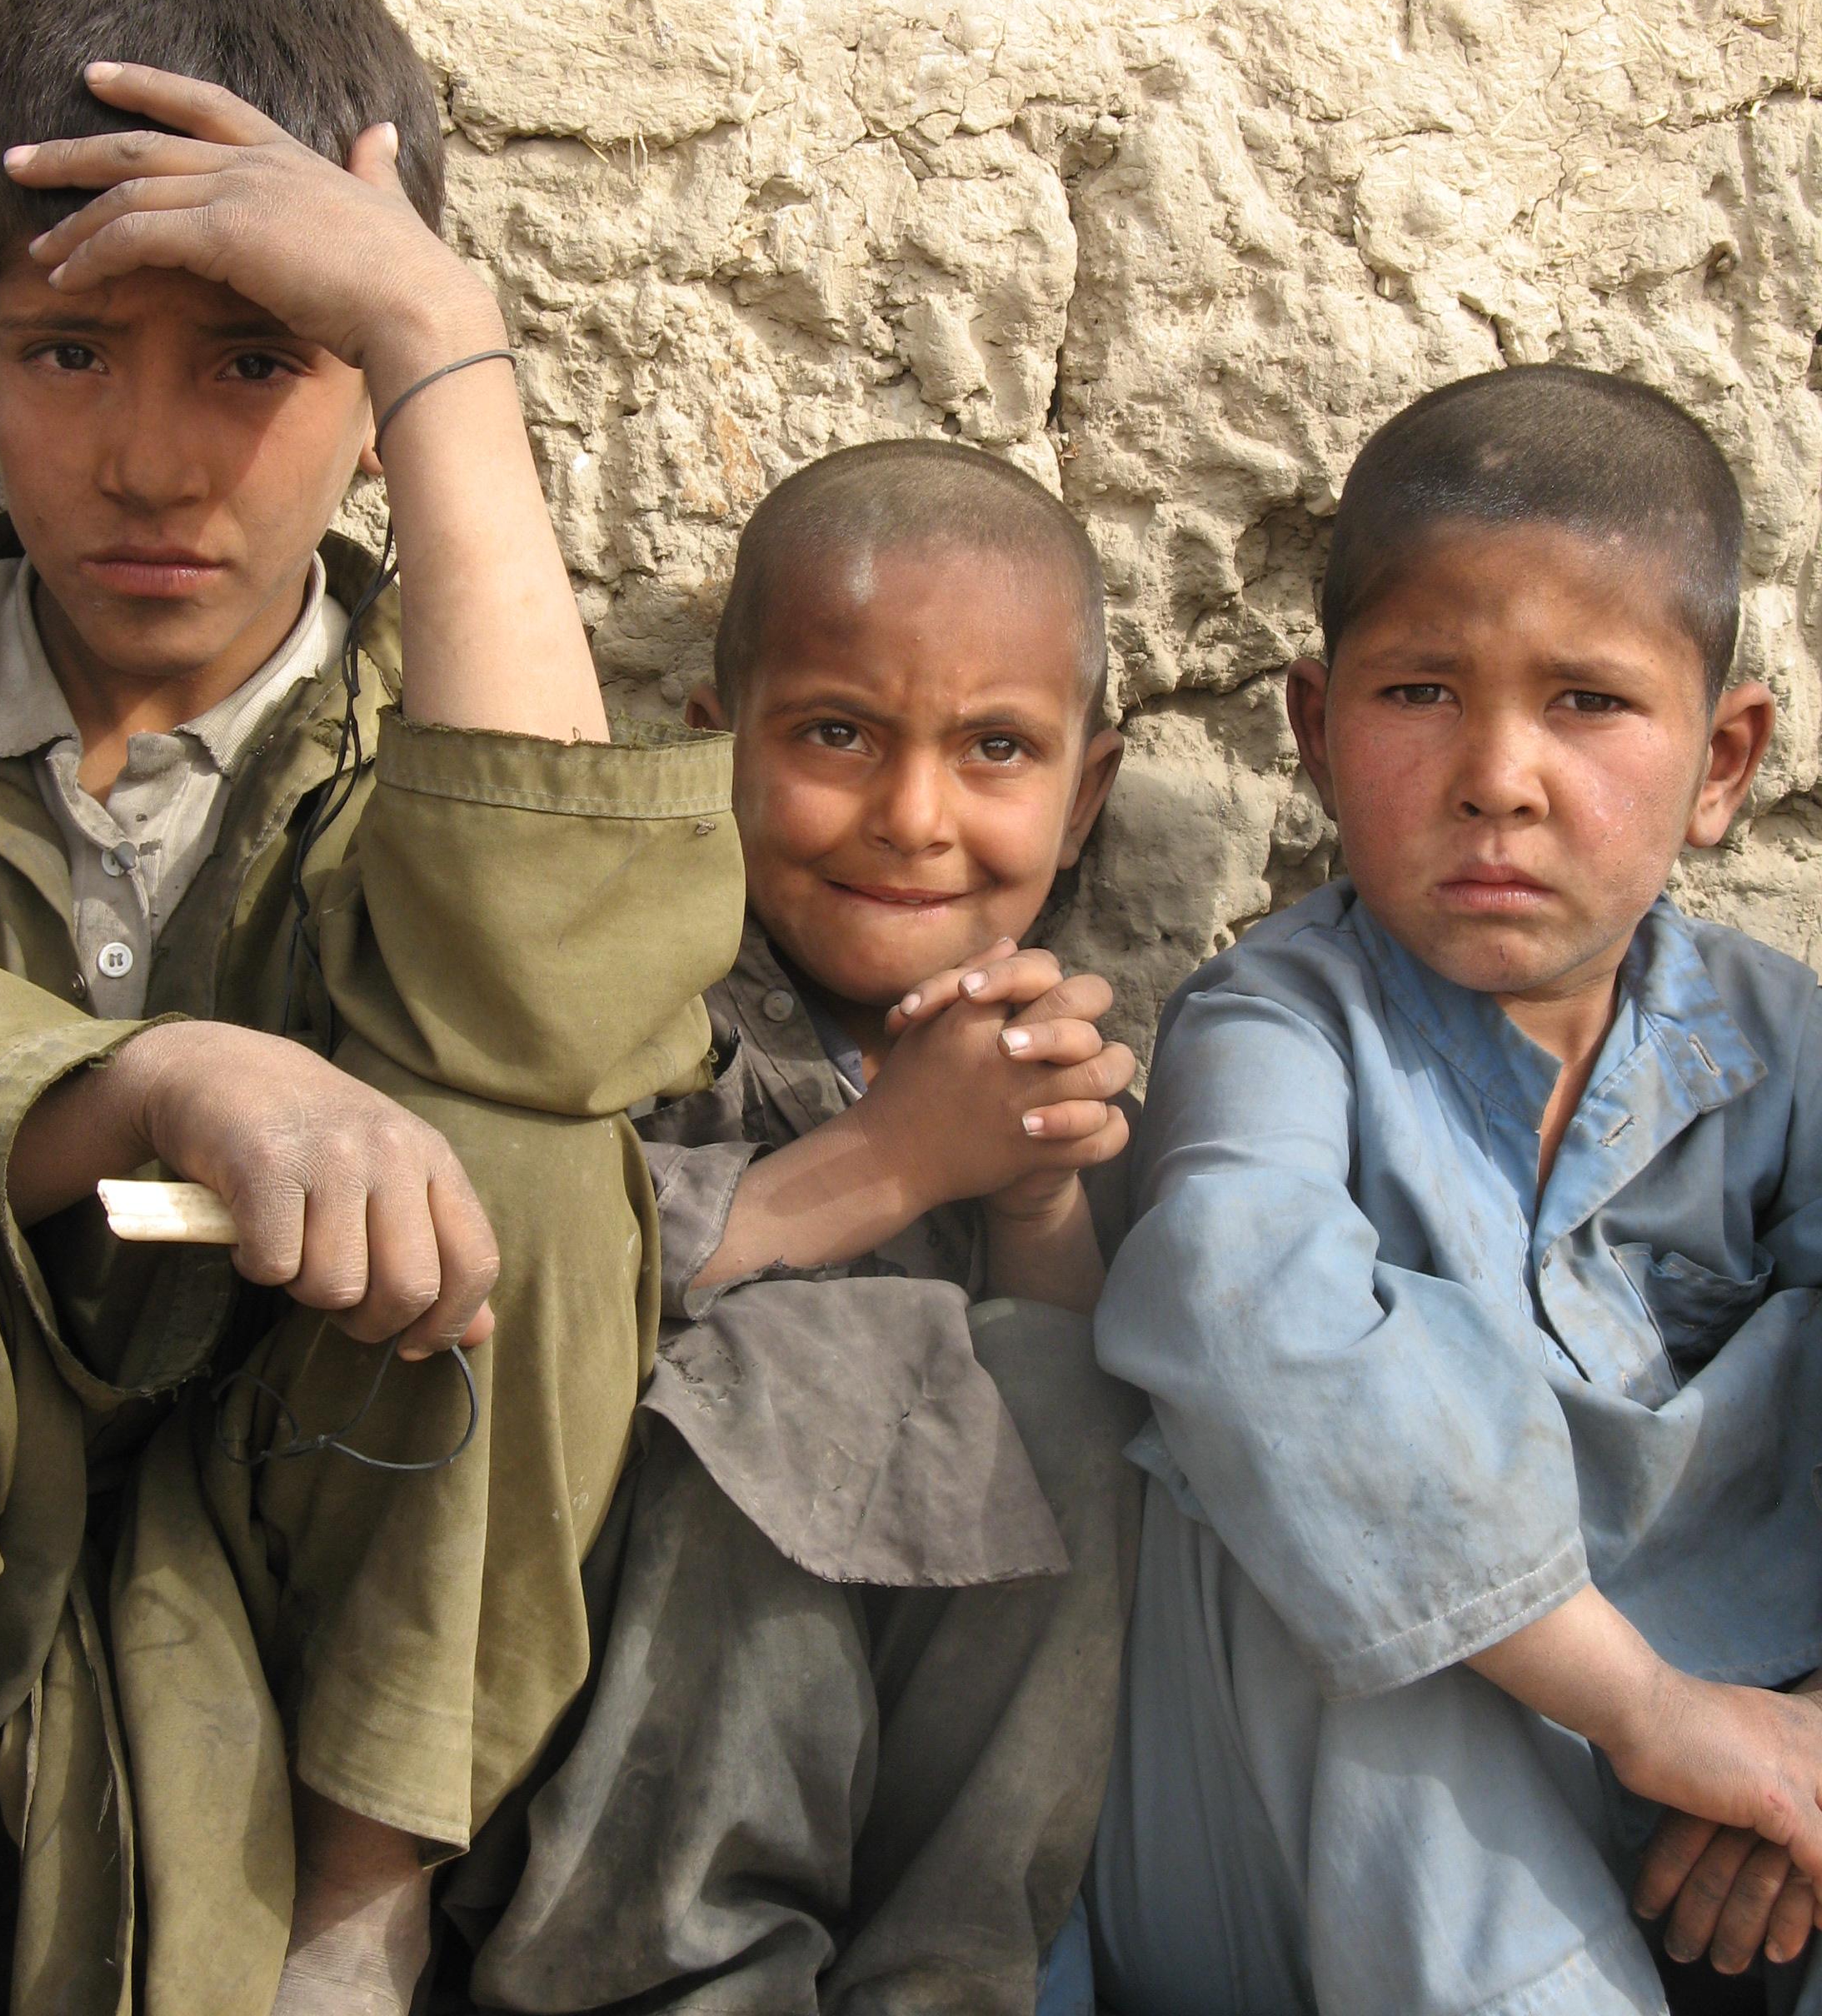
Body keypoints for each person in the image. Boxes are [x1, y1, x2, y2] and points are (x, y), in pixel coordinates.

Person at [0, 0, 741, 2016]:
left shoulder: (434, 738)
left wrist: (444, 348)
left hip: (316, 1534)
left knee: (536, 1164)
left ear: (368, 401)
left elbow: (560, 1028)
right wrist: (152, 1076)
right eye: (70, 351)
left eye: (261, 359)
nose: (158, 458)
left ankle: (356, 1929)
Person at [1089, 364, 1822, 2016]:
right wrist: (1642, 1704)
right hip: (1330, 1873)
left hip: (1730, 1817)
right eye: (1422, 693)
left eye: (1588, 703)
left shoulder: (1790, 1058)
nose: (1502, 774)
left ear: (1726, 763)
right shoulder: (1279, 1023)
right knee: (1280, 1477)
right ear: (1316, 731)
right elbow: (1240, 1307)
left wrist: (1801, 1740)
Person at [433, 440, 1146, 2016]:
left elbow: (1085, 1421)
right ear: (716, 748)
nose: (913, 816)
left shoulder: (1058, 1044)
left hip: (923, 1795)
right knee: (795, 1364)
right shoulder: (636, 1007)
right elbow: (555, 1279)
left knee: (1077, 1407)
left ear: (1086, 789)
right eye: (839, 733)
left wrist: (1031, 1191)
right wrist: (887, 1165)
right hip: (610, 1777)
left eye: (996, 750)